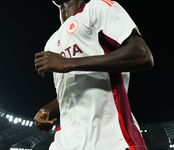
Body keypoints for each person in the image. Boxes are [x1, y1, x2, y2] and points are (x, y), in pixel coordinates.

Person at [34, 0, 154, 149]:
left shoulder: (97, 8)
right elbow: (71, 90)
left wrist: (70, 63)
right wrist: (45, 110)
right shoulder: (51, 42)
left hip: (108, 140)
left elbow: (142, 55)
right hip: (64, 142)